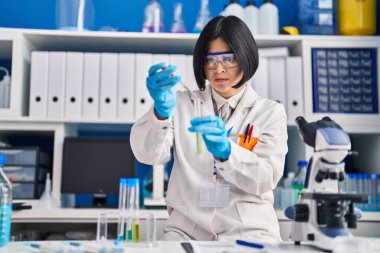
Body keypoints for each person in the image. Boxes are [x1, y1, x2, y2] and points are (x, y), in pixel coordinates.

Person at [130, 16, 288, 242]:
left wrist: (227, 153)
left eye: (229, 58)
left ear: (246, 57)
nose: (219, 68)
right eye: (210, 60)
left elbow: (266, 178)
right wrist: (161, 113)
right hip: (187, 230)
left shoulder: (270, 112)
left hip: (249, 230)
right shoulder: (181, 104)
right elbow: (147, 154)